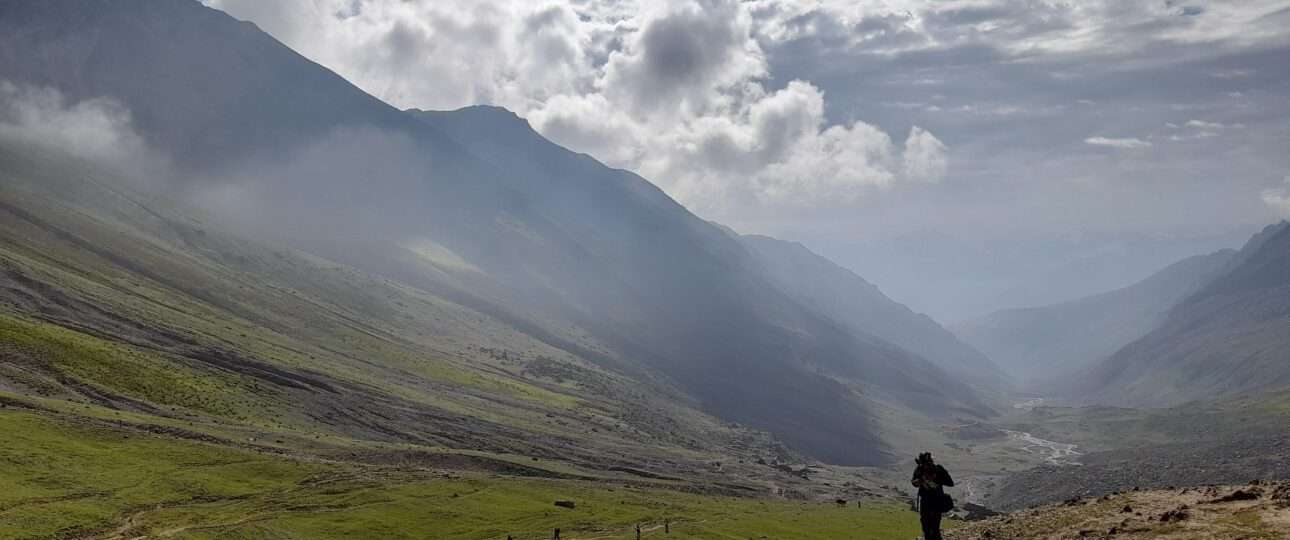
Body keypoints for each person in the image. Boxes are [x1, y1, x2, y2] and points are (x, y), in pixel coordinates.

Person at [911, 452, 954, 540]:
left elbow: (950, 483)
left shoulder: (938, 469)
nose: (926, 466)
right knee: (926, 526)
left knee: (935, 528)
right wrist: (918, 482)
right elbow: (914, 481)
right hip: (925, 502)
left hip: (937, 501)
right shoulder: (920, 469)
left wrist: (936, 478)